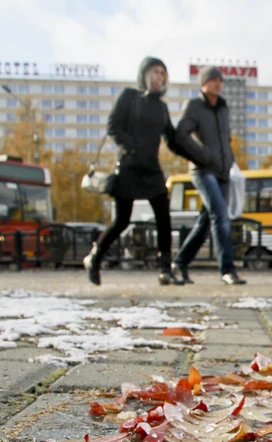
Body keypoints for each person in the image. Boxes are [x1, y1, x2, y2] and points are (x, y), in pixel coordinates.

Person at [83, 56, 188, 286]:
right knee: (122, 220)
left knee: (163, 217)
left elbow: (172, 139)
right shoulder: (129, 96)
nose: (159, 77)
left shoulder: (161, 107)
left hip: (152, 168)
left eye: (163, 73)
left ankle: (165, 269)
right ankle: (95, 257)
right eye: (155, 72)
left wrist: (196, 153)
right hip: (129, 166)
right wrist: (131, 147)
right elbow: (113, 126)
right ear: (145, 74)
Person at [170, 65, 246, 285]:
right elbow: (181, 134)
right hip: (203, 170)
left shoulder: (223, 108)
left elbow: (225, 138)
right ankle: (227, 270)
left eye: (220, 80)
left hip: (223, 171)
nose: (218, 84)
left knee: (204, 224)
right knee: (221, 216)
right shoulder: (194, 106)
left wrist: (230, 159)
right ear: (203, 83)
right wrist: (202, 155)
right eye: (213, 80)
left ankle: (180, 262)